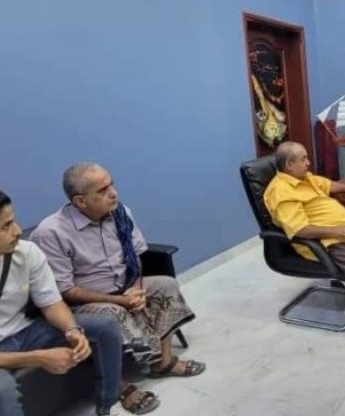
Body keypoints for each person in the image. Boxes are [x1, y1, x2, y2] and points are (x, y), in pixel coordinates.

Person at [30, 163, 205, 392]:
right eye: (102, 190)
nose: (113, 193)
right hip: (84, 303)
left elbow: (135, 255)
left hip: (125, 287)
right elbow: (67, 291)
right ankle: (117, 385)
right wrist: (120, 300)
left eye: (111, 184)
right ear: (80, 201)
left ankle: (162, 363)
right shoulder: (51, 233)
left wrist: (136, 289)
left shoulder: (121, 213)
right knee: (113, 312)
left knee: (166, 285)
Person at [0, 189, 130, 416]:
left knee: (105, 325)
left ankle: (107, 403)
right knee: (3, 389)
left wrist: (72, 330)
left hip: (25, 331)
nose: (18, 231)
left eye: (14, 221)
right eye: (6, 226)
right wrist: (38, 358)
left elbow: (50, 303)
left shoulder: (26, 252)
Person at [263, 141, 345, 332]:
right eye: (303, 159)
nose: (308, 162)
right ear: (289, 165)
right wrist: (335, 231)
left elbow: (328, 184)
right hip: (325, 240)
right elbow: (300, 230)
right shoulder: (281, 192)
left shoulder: (304, 178)